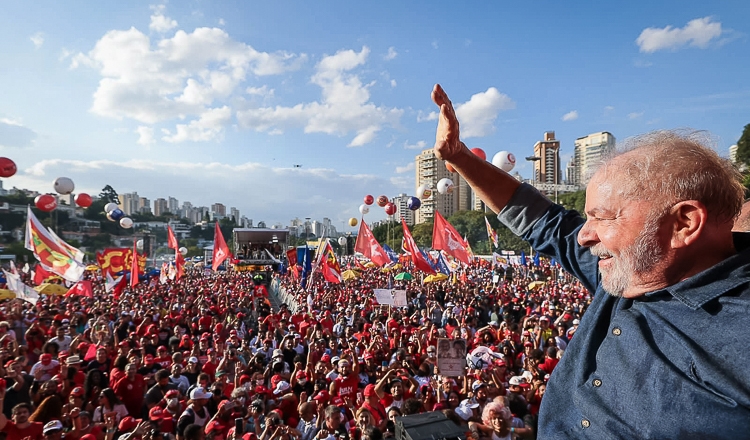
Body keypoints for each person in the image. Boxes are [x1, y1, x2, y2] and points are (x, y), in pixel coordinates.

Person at [431, 84, 750, 437]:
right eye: (587, 217)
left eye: (603, 217)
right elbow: (546, 222)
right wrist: (459, 156)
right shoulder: (634, 268)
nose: (584, 236)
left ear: (683, 223)